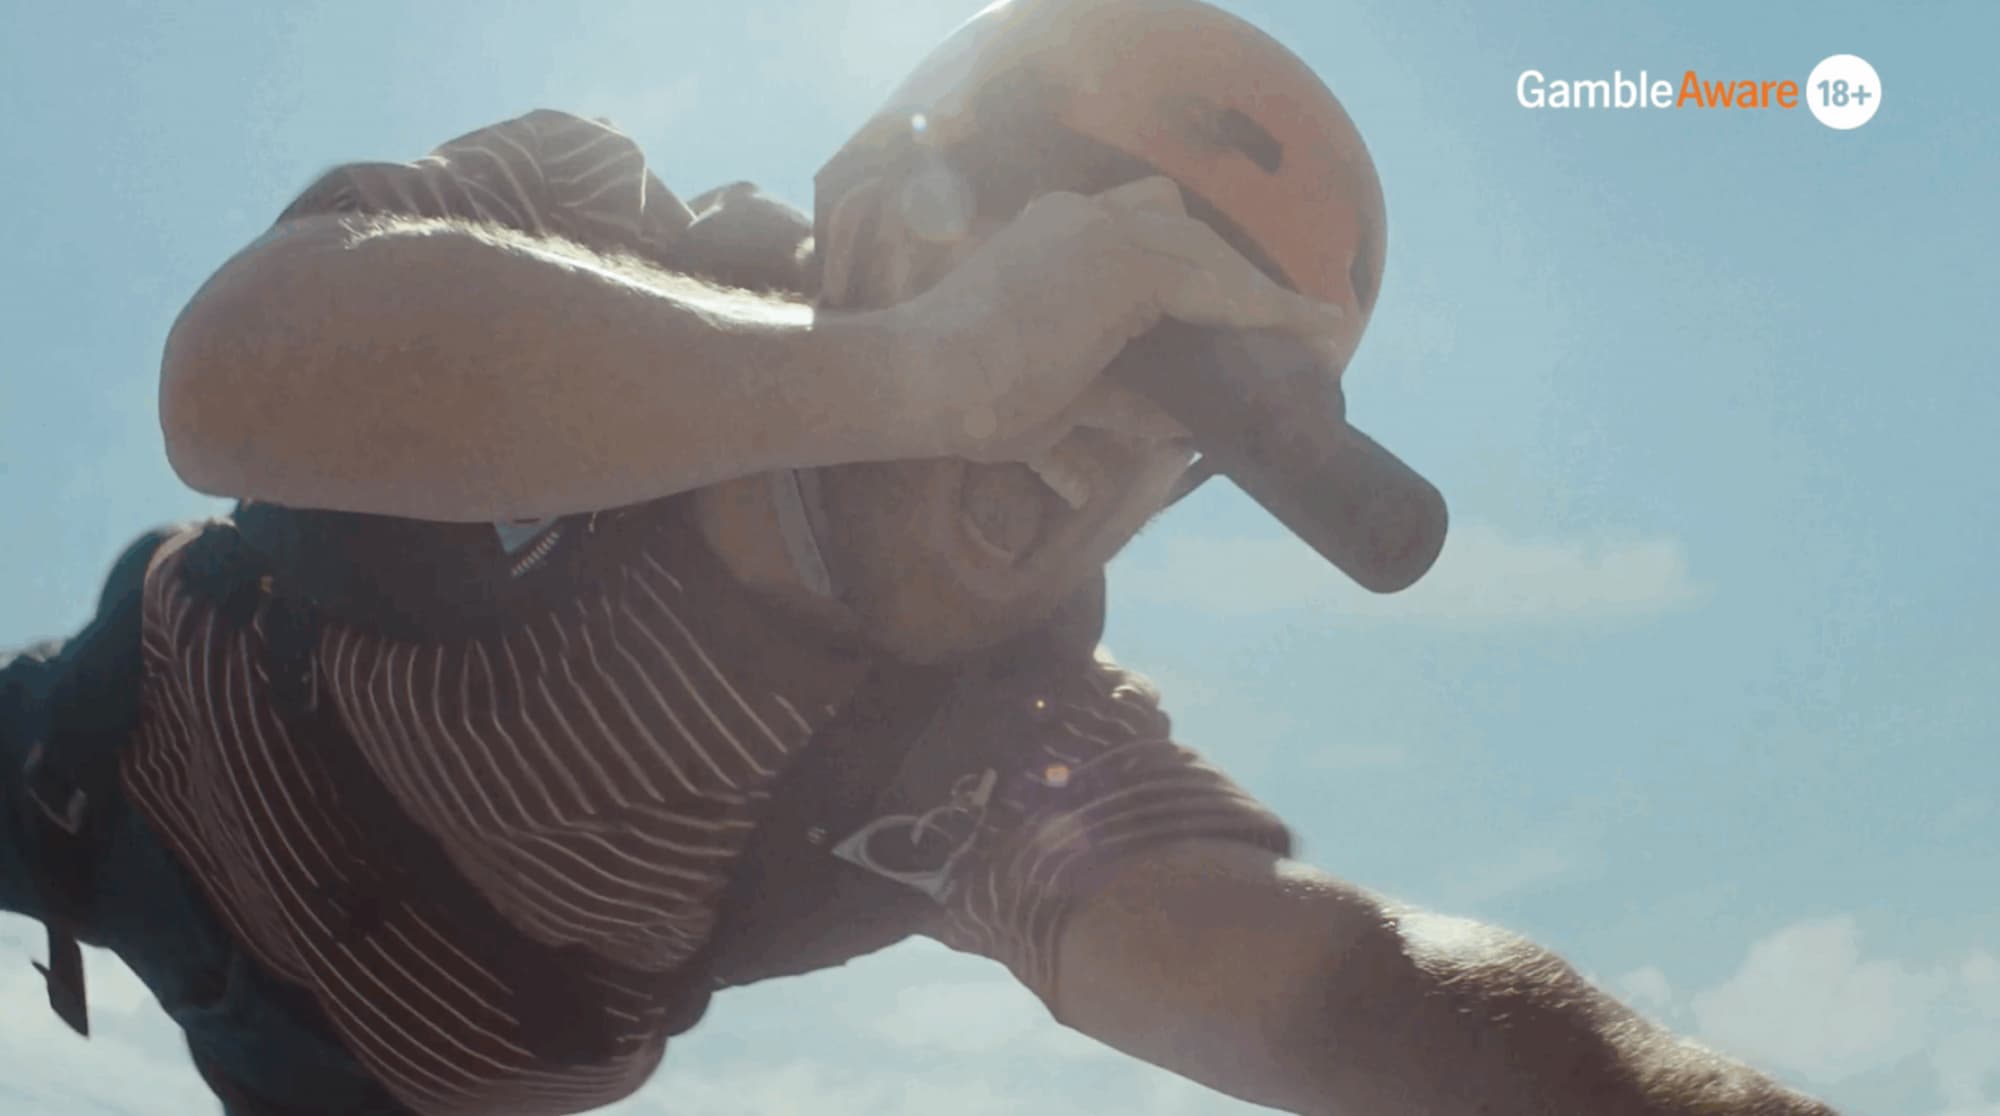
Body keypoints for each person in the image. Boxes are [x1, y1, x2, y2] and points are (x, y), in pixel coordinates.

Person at [3, 1, 1842, 1113]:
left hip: (388, 1087)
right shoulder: (577, 222)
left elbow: (1343, 990)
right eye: (1085, 290)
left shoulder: (1012, 751)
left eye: (1193, 410)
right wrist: (917, 372)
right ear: (877, 209)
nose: (1099, 420)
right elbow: (232, 378)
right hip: (103, 766)